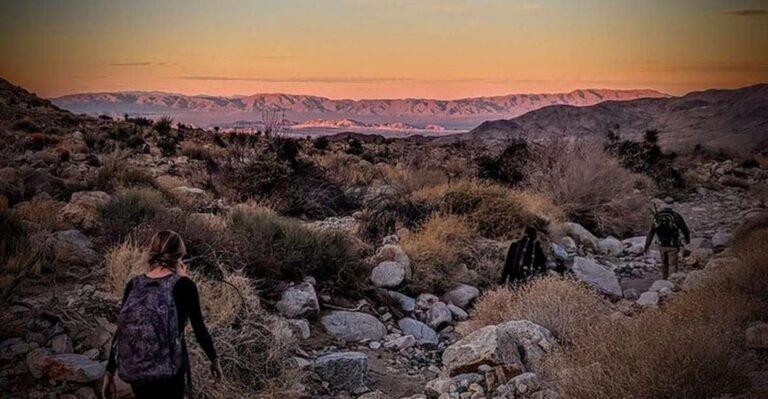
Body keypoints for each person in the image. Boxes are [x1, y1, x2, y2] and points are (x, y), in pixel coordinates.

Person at [102, 230, 222, 399]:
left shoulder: (134, 284)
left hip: (136, 371)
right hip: (170, 372)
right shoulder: (184, 285)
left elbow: (121, 330)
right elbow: (199, 329)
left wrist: (109, 370)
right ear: (179, 255)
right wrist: (214, 360)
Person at [644, 206, 691, 279]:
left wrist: (646, 245)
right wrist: (688, 242)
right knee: (672, 265)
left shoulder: (657, 216)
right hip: (673, 245)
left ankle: (664, 281)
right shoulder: (675, 216)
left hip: (661, 245)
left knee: (664, 264)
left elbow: (651, 232)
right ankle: (672, 282)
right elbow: (685, 230)